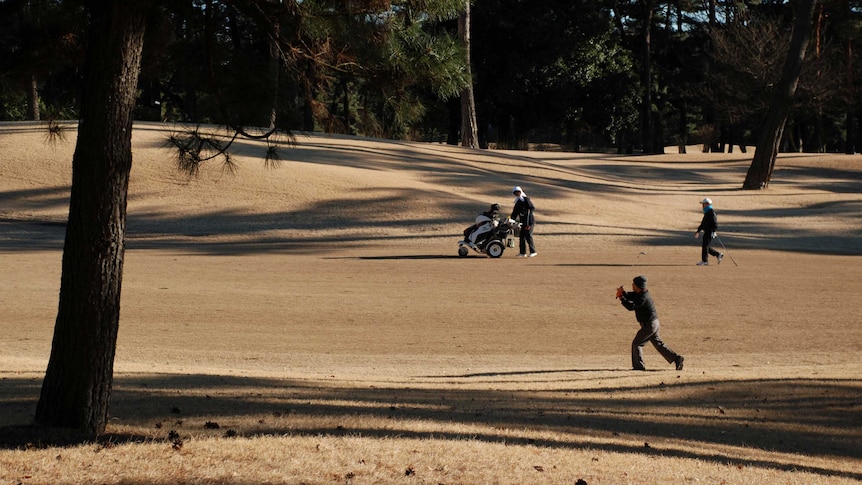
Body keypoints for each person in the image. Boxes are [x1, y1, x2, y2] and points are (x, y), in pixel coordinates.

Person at [616, 275, 684, 371]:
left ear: (638, 286)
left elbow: (631, 307)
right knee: (658, 344)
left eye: (633, 284)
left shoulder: (643, 297)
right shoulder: (641, 293)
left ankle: (638, 367)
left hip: (649, 325)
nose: (632, 285)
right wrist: (623, 293)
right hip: (654, 323)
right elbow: (630, 296)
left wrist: (621, 298)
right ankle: (677, 358)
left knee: (637, 344)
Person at [695, 197, 723, 266]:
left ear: (707, 204)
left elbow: (715, 223)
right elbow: (703, 223)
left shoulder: (711, 212)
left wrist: (713, 231)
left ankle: (705, 261)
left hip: (709, 231)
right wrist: (698, 231)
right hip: (707, 231)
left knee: (705, 246)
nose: (702, 206)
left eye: (704, 204)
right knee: (705, 246)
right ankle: (718, 254)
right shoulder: (707, 212)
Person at [510, 185, 536, 257]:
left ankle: (533, 251)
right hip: (522, 222)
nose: (517, 194)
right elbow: (514, 213)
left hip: (529, 222)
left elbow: (532, 208)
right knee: (522, 237)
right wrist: (511, 220)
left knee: (528, 236)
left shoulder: (526, 199)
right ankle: (522, 252)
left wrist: (526, 214)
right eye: (515, 193)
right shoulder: (518, 202)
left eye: (518, 192)